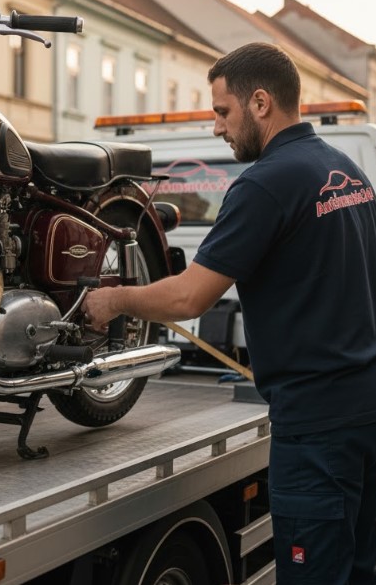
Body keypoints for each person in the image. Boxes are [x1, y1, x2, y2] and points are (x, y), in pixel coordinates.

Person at [83, 42, 376, 584]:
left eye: (222, 112)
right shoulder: (347, 172)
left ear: (260, 102)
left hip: (315, 431)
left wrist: (114, 299)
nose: (218, 127)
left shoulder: (265, 183)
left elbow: (189, 298)